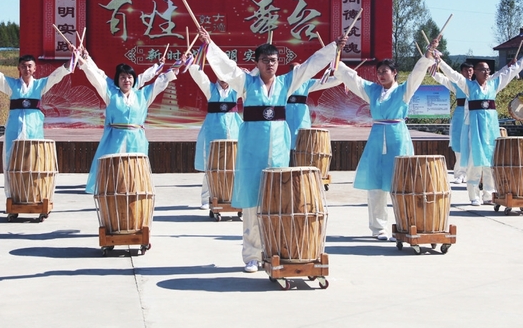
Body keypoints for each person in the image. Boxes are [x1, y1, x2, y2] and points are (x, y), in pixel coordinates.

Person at [198, 28, 343, 273]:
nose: (270, 64)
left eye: (274, 60)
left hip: (278, 152)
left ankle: (274, 248)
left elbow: (310, 65)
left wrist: (333, 48)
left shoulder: (287, 82)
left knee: (277, 202)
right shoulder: (246, 83)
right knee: (253, 204)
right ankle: (252, 256)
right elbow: (227, 67)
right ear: (257, 63)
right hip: (252, 152)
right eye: (265, 60)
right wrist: (210, 44)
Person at [335, 48, 435, 240]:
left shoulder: (404, 90)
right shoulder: (372, 91)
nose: (381, 75)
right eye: (379, 72)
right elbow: (353, 78)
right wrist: (336, 59)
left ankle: (406, 223)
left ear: (394, 72)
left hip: (397, 138)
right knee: (375, 184)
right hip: (376, 138)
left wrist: (427, 57)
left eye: (385, 71)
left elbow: (417, 74)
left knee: (400, 183)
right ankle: (378, 228)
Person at [0, 48, 71, 196]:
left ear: (35, 68)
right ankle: (13, 196)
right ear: (18, 68)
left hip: (34, 130)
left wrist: (73, 58)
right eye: (23, 66)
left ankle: (36, 195)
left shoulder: (40, 85)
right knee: (12, 162)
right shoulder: (11, 85)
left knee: (35, 162)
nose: (27, 69)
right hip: (14, 130)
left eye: (30, 66)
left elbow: (56, 75)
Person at [78, 49, 178, 194]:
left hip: (136, 138)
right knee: (114, 166)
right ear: (117, 80)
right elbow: (96, 78)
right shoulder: (110, 94)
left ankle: (134, 189)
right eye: (123, 77)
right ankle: (111, 189)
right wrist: (84, 62)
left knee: (134, 167)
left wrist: (174, 68)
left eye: (130, 77)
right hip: (115, 137)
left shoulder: (143, 95)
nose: (127, 80)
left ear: (134, 80)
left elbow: (160, 82)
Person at [436, 52, 523, 206]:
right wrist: (439, 62)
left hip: (491, 126)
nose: (486, 72)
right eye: (483, 70)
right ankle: (474, 195)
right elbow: (452, 75)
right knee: (475, 160)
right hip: (475, 127)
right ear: (476, 72)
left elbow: (509, 73)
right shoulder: (469, 86)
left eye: (488, 70)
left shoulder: (494, 84)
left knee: (490, 161)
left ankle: (488, 194)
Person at [188, 64, 242, 208]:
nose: (224, 78)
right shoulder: (210, 89)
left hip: (233, 131)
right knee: (211, 166)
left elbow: (253, 79)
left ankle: (234, 198)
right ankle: (207, 199)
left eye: (226, 75)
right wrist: (193, 64)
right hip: (213, 131)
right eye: (221, 74)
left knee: (234, 166)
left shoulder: (237, 90)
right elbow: (199, 76)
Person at [432, 62, 473, 183]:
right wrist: (433, 69)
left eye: (470, 70)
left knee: (471, 144)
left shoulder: (477, 85)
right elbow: (443, 79)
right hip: (460, 115)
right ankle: (460, 173)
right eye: (466, 70)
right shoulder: (456, 84)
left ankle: (470, 173)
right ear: (461, 72)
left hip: (474, 114)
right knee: (458, 142)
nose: (468, 72)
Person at [285, 64, 340, 147]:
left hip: (301, 116)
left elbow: (324, 82)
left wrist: (342, 78)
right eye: (294, 70)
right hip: (286, 115)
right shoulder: (282, 82)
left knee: (302, 140)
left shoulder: (306, 82)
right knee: (286, 137)